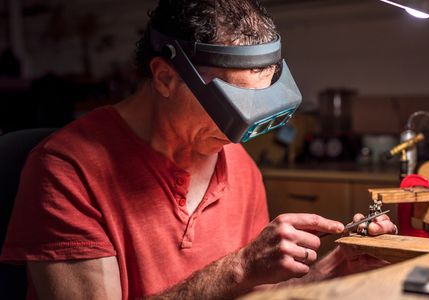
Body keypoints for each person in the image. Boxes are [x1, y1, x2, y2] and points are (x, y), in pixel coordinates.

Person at [1, 0, 396, 299]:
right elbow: (233, 278)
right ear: (166, 77)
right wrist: (239, 266)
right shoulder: (67, 170)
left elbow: (243, 294)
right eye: (231, 107)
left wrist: (324, 274)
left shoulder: (239, 165)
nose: (240, 134)